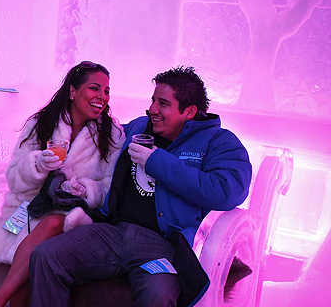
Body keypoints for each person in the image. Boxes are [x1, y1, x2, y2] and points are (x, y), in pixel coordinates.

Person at [28, 66, 252, 307]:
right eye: (153, 100)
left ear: (189, 111)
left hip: (161, 244)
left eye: (163, 103)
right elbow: (96, 136)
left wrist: (157, 161)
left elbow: (229, 191)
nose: (153, 109)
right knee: (46, 256)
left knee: (157, 295)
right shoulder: (139, 127)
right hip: (113, 230)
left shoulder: (218, 141)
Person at [0, 61, 125, 307]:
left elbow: (110, 187)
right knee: (31, 251)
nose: (102, 97)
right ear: (73, 91)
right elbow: (14, 180)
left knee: (55, 223)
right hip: (27, 210)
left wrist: (85, 189)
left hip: (77, 216)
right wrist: (37, 165)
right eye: (94, 88)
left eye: (106, 91)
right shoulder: (41, 124)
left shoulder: (112, 135)